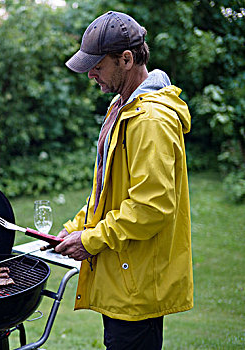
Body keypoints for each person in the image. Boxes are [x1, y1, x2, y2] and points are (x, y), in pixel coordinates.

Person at [54, 11, 194, 349]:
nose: (91, 74)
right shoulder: (122, 107)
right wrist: (78, 227)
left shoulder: (151, 119)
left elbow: (150, 207)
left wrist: (91, 240)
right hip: (123, 273)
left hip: (138, 282)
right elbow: (109, 190)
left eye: (98, 66)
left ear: (126, 59)